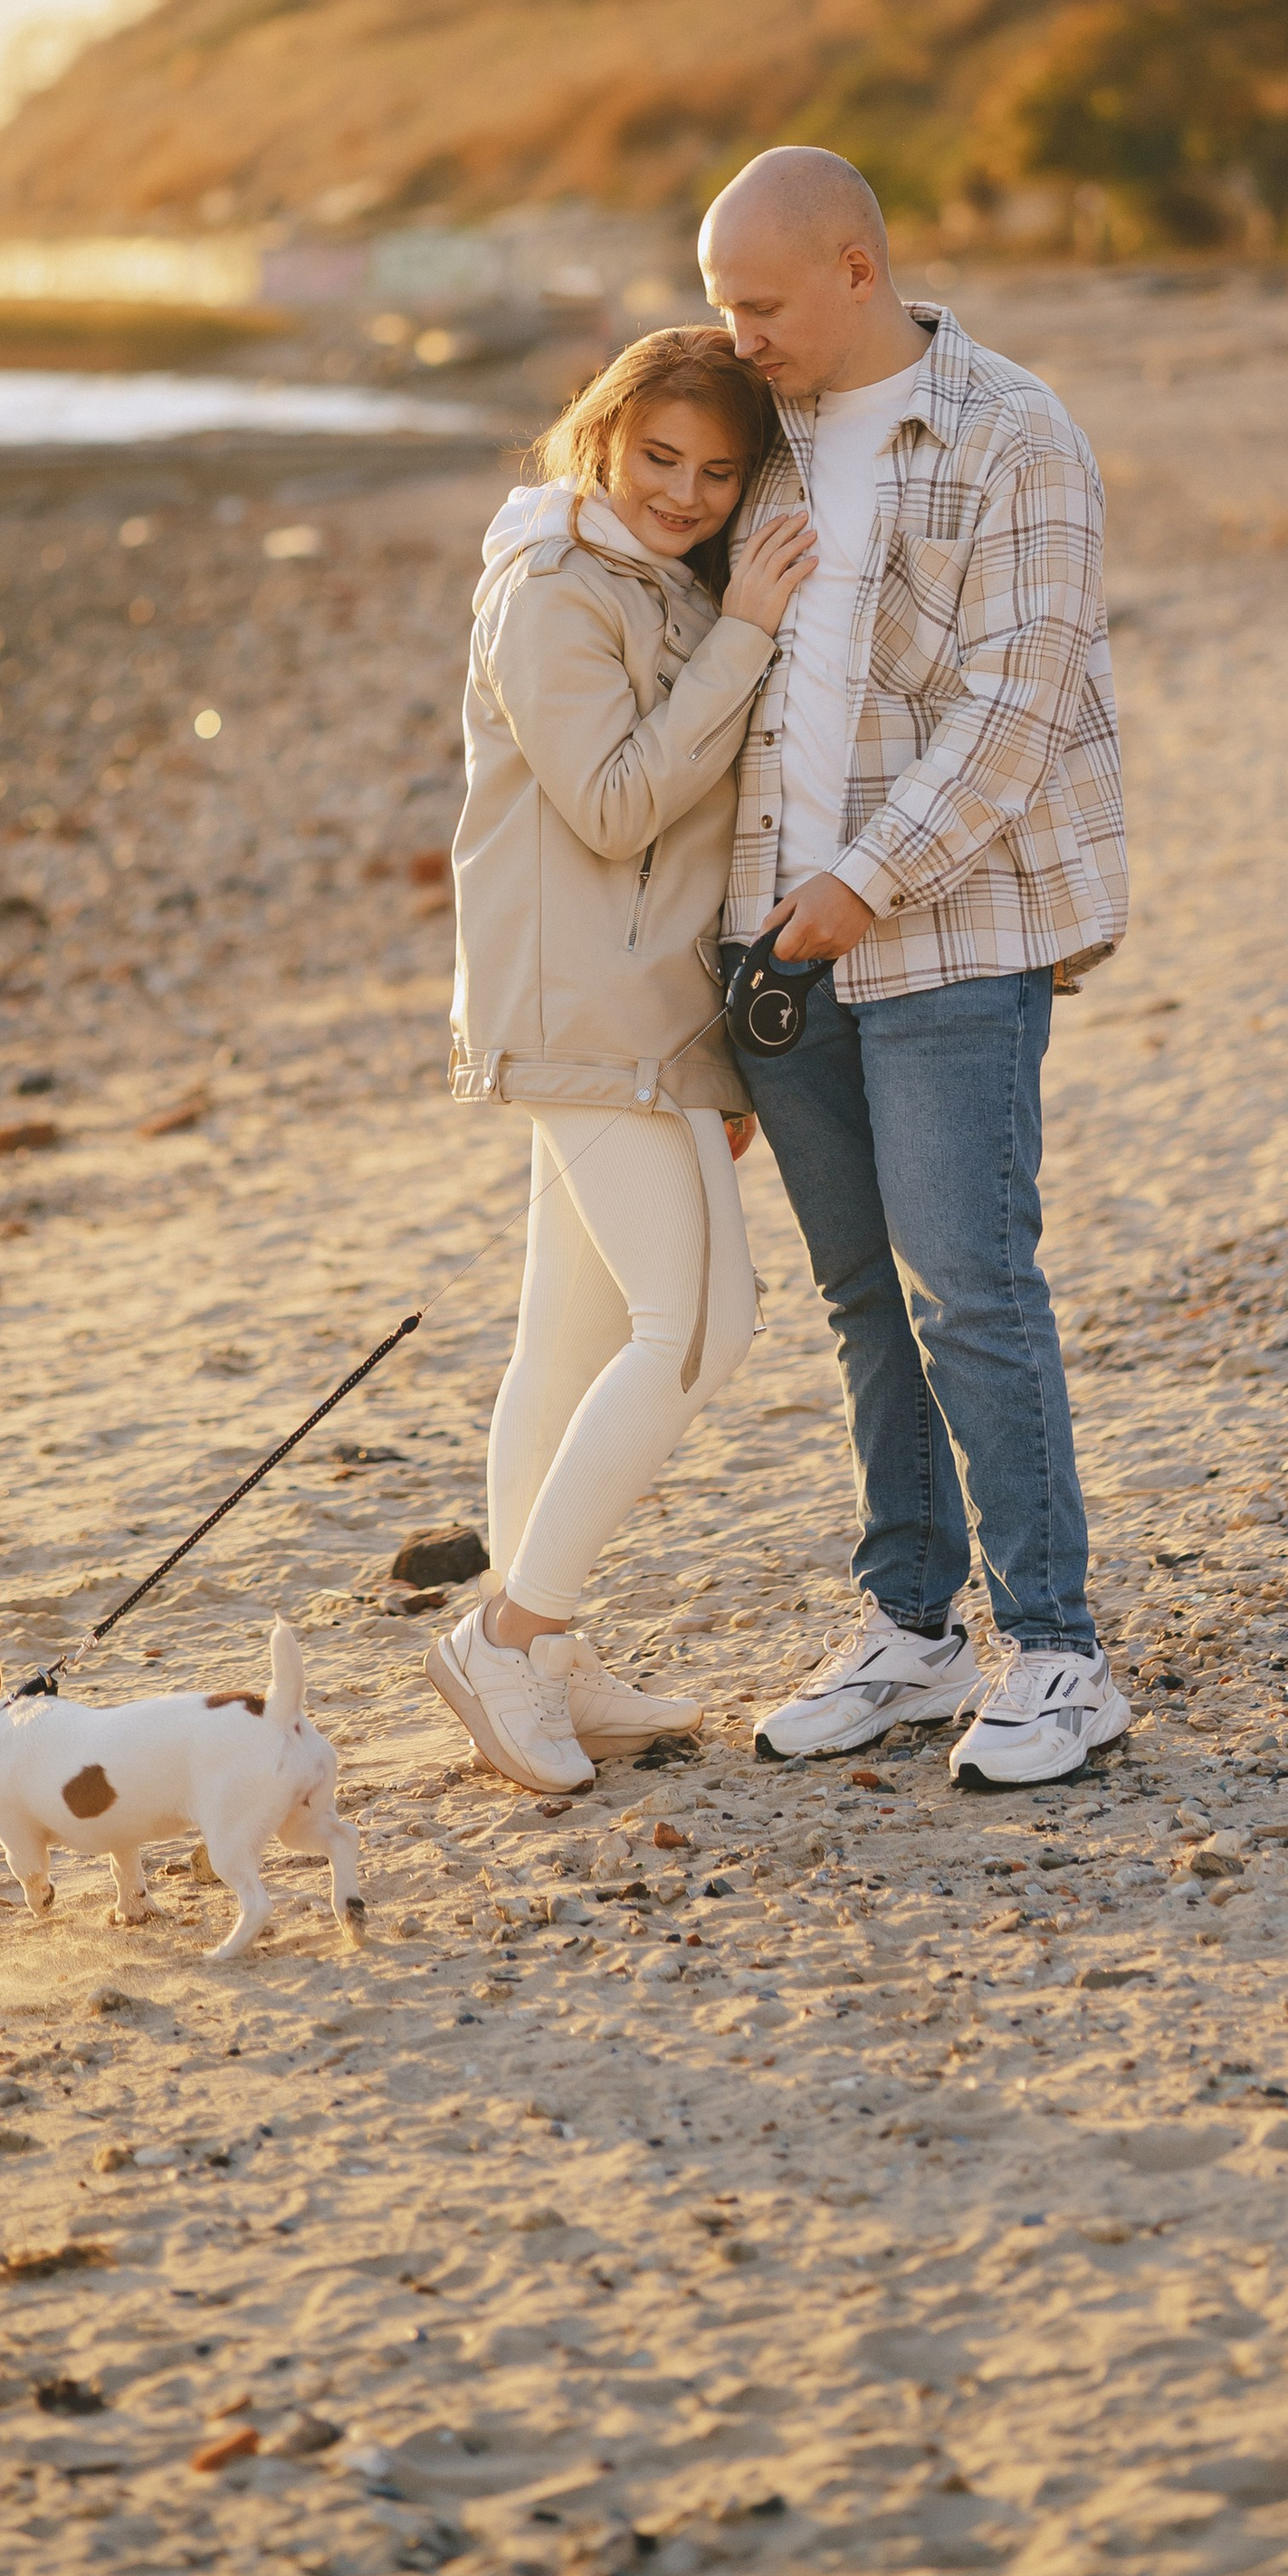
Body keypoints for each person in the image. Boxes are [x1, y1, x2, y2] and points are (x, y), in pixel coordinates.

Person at [700, 148, 1131, 1788]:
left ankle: (1061, 1652)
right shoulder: (767, 437)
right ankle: (914, 1631)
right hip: (776, 947)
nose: (735, 334)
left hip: (947, 930)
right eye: (718, 303)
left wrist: (859, 890)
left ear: (858, 269)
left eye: (761, 302)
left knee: (974, 1288)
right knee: (863, 1299)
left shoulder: (1019, 431)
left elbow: (1014, 712)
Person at [430, 328, 816, 1794]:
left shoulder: (654, 579)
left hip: (637, 1013)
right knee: (702, 1329)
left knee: (572, 1340)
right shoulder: (548, 589)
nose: (686, 491)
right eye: (660, 456)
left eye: (718, 471)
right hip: (584, 1013)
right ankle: (508, 1639)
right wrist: (748, 635)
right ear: (601, 434)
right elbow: (607, 806)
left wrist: (714, 1051)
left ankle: (549, 1651)